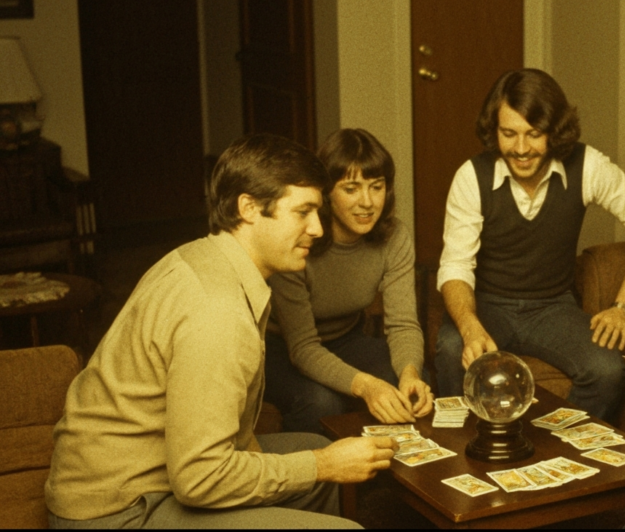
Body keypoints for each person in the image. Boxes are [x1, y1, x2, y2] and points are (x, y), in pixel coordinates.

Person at [45, 134, 397, 528]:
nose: (318, 228)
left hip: (156, 474)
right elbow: (199, 479)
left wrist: (317, 463)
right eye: (303, 212)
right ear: (248, 208)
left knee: (315, 449)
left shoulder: (205, 256)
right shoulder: (217, 312)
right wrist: (320, 465)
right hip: (117, 511)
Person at [434, 68, 625, 420]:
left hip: (552, 307)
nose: (521, 149)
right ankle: (461, 452)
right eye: (509, 134)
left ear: (554, 131)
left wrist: (624, 306)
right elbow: (455, 265)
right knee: (451, 348)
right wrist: (469, 327)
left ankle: (554, 449)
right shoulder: (471, 176)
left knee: (605, 370)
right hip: (487, 303)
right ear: (494, 131)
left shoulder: (587, 166)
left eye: (534, 134)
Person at [265, 128, 433, 434]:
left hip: (346, 336)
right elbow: (302, 348)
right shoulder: (300, 238)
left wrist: (409, 373)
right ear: (326, 193)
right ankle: (317, 477)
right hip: (279, 347)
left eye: (376, 186)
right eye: (351, 189)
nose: (367, 202)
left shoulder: (394, 236)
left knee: (414, 382)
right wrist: (366, 386)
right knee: (321, 402)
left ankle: (391, 476)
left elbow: (403, 324)